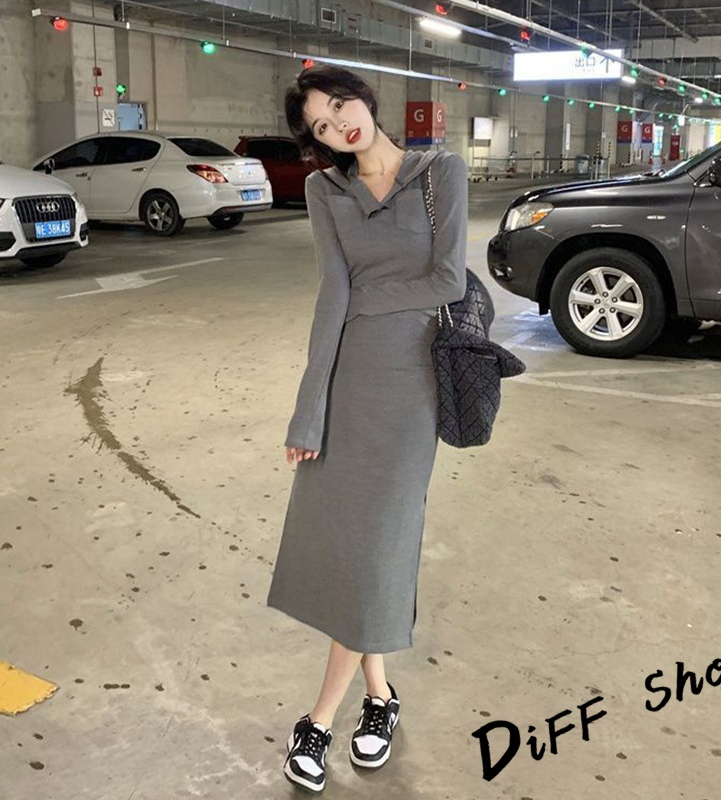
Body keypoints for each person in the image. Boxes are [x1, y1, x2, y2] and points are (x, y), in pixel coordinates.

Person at [267, 64, 468, 793]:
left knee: (379, 542)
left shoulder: (439, 172)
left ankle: (319, 717)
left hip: (411, 389)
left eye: (341, 106)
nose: (338, 126)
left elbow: (449, 280)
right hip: (348, 384)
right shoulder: (326, 191)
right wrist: (308, 407)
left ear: (365, 98)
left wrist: (365, 298)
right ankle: (380, 697)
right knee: (356, 550)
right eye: (321, 126)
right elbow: (333, 292)